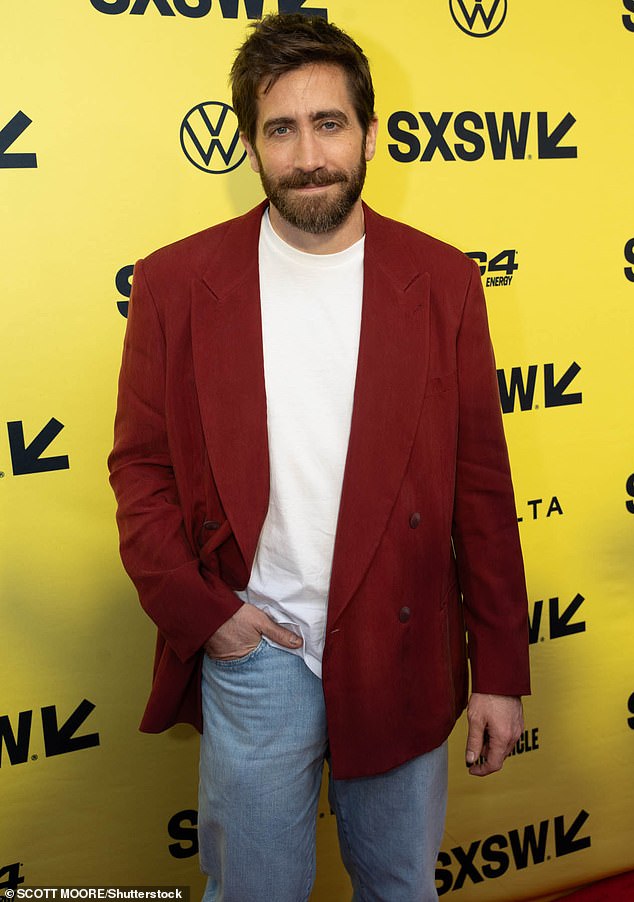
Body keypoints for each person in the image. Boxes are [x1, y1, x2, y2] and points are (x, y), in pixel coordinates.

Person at [109, 13, 530, 902]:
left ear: (371, 135)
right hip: (254, 648)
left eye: (329, 124)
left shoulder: (443, 280)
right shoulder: (176, 284)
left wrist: (499, 670)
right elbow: (141, 469)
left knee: (398, 889)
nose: (307, 154)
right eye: (280, 129)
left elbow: (481, 489)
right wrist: (202, 611)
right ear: (251, 145)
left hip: (403, 644)